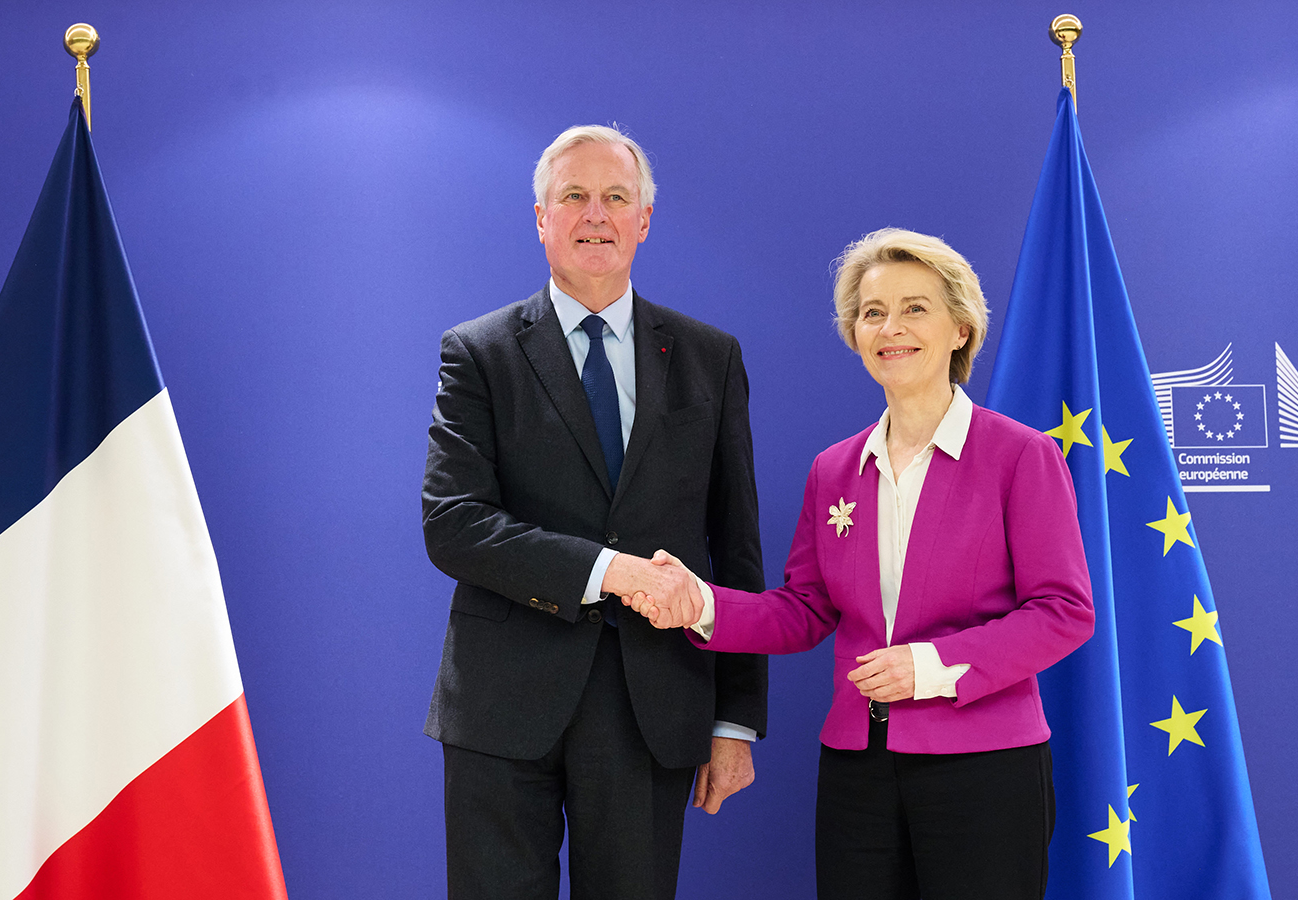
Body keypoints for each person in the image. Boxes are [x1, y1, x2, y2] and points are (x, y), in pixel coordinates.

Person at [629, 228, 1095, 900]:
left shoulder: (1021, 457)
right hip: (857, 771)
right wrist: (697, 602)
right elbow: (804, 610)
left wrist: (927, 667)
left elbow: (1064, 612)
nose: (890, 328)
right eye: (873, 312)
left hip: (986, 769)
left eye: (915, 308)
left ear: (961, 329)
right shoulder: (835, 469)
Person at [421, 125, 769, 900]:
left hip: (653, 705)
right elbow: (453, 522)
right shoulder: (478, 352)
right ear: (540, 217)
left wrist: (736, 719)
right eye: (573, 196)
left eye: (616, 197)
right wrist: (607, 571)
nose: (595, 215)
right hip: (502, 707)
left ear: (644, 219)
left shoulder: (711, 358)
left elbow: (735, 550)